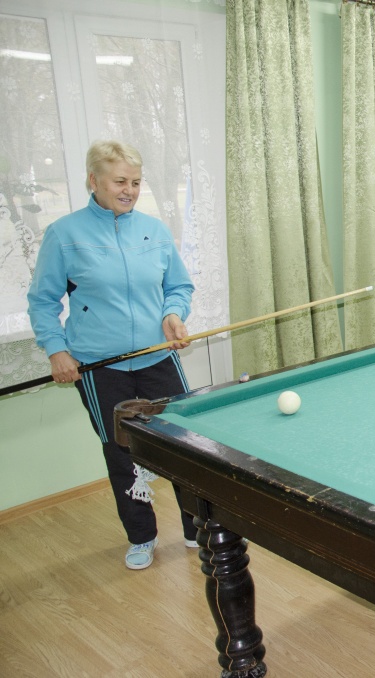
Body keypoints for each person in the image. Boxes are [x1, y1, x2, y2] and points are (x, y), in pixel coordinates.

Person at [28, 140, 198, 571]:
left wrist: (173, 314)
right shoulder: (64, 235)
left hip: (157, 356)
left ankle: (197, 527)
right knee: (122, 452)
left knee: (186, 444)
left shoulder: (154, 230)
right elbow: (43, 301)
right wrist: (57, 350)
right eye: (120, 181)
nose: (130, 190)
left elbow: (178, 286)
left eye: (136, 182)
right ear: (94, 181)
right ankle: (142, 537)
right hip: (101, 366)